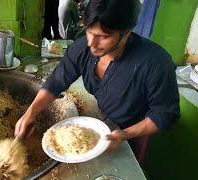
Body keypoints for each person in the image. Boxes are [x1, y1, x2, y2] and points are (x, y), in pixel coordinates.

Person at [15, 0, 180, 164]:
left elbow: (164, 114)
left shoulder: (155, 63)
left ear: (127, 33)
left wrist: (125, 134)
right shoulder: (83, 48)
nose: (92, 43)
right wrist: (31, 113)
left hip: (134, 132)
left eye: (103, 37)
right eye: (89, 31)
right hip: (100, 123)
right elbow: (57, 80)